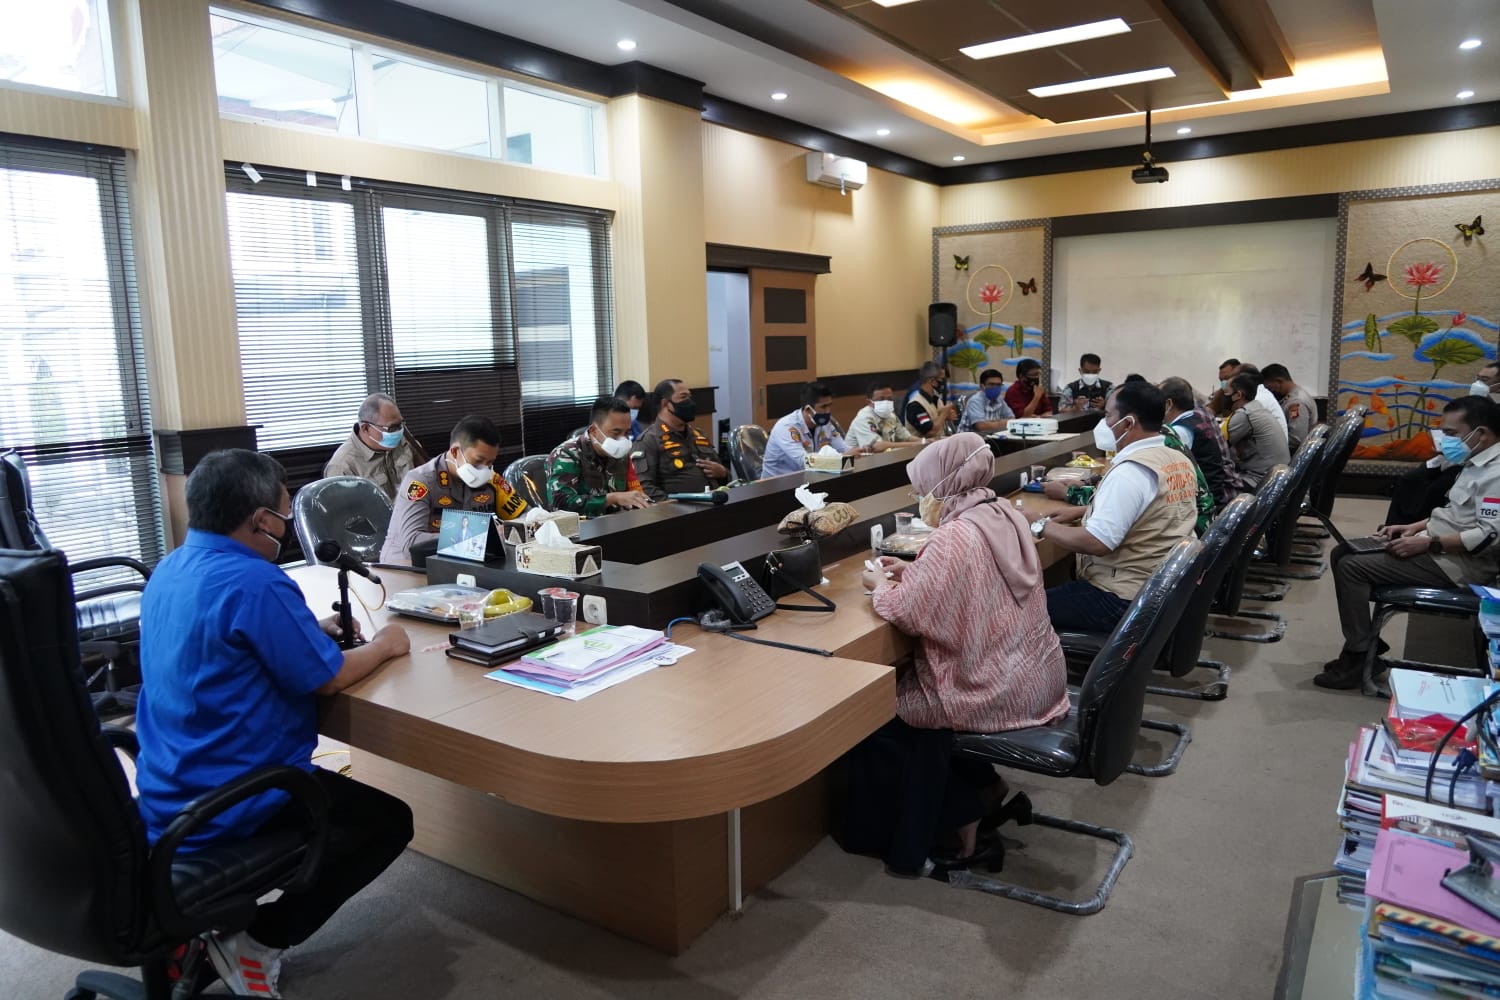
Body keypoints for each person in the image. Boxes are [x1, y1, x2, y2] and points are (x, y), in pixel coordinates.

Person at [134, 449, 413, 998]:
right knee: (386, 823)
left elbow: (222, 645)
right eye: (284, 514)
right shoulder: (256, 581)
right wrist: (384, 645)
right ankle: (257, 941)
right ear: (261, 519)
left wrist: (311, 629)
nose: (286, 526)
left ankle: (222, 932)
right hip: (237, 795)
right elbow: (329, 678)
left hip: (166, 786)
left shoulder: (170, 569)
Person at [841, 433, 1068, 877]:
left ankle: (960, 815)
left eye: (923, 487)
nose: (921, 497)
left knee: (870, 717)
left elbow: (907, 611)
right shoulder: (1002, 513)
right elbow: (978, 577)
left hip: (991, 689)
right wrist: (917, 569)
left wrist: (881, 585)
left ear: (944, 483)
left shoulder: (954, 537)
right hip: (1036, 674)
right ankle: (984, 787)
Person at [1318, 396, 1500, 689]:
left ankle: (1359, 652)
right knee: (1342, 552)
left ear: (1481, 433)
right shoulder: (1476, 461)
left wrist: (1428, 544)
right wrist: (1413, 528)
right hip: (1438, 546)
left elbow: (1487, 536)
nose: (1445, 441)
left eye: (1452, 434)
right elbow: (1455, 514)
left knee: (1352, 567)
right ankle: (1365, 646)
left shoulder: (1496, 473)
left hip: (1460, 565)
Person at [1031, 382, 1198, 634]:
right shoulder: (1176, 458)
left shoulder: (1131, 472)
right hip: (1158, 589)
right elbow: (1150, 511)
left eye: (1108, 415)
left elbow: (1096, 542)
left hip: (1120, 598)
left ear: (1128, 423)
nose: (1105, 423)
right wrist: (1079, 512)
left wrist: (1039, 523)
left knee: (1021, 609)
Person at [382, 415, 528, 563]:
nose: (484, 469)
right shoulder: (420, 482)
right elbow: (412, 543)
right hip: (407, 567)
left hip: (461, 564)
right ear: (455, 452)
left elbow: (525, 516)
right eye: (477, 461)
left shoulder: (491, 479)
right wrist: (481, 534)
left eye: (489, 463)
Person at [547, 396, 652, 514]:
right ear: (594, 431)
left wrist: (645, 503)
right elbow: (560, 504)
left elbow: (631, 494)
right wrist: (613, 498)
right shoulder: (567, 454)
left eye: (626, 433)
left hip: (619, 524)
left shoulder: (621, 454)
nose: (622, 439)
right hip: (584, 529)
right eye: (616, 432)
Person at [632, 378, 730, 500]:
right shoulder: (649, 440)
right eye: (683, 397)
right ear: (665, 404)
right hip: (677, 512)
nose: (690, 402)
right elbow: (644, 488)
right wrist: (675, 506)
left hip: (715, 502)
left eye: (690, 397)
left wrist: (722, 473)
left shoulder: (699, 435)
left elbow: (726, 475)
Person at [322, 393, 424, 500]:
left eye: (400, 424)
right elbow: (345, 513)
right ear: (366, 428)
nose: (399, 432)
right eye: (392, 428)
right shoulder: (343, 467)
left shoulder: (404, 439)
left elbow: (427, 475)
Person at [1160, 376, 1239, 509]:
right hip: (1216, 492)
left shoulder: (1180, 431)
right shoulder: (1196, 417)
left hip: (1205, 504)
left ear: (1168, 404)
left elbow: (1166, 471)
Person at [762, 381, 860, 477]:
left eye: (829, 406)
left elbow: (844, 449)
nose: (828, 411)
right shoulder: (786, 427)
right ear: (808, 409)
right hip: (777, 484)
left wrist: (860, 451)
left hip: (808, 478)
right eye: (823, 407)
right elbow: (804, 461)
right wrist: (841, 458)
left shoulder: (825, 424)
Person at [1225, 371, 1290, 489]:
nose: (1223, 397)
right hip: (1276, 477)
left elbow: (1218, 446)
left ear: (1238, 395)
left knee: (1215, 485)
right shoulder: (1257, 407)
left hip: (1259, 480)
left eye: (1226, 393)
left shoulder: (1244, 414)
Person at [846, 380, 921, 452]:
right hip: (859, 462)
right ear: (869, 402)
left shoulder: (891, 415)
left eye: (889, 399)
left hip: (883, 458)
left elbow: (906, 437)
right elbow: (876, 446)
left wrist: (924, 441)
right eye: (881, 399)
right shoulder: (864, 418)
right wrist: (915, 444)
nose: (886, 402)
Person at [1260, 363, 1320, 452]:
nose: (1270, 391)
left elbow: (1296, 439)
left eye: (1270, 388)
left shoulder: (1297, 403)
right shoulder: (1290, 397)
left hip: (1294, 455)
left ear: (1279, 381)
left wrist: (1268, 441)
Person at [904, 361, 957, 439]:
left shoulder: (937, 400)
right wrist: (944, 414)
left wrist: (947, 417)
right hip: (920, 449)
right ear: (932, 381)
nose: (944, 383)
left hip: (938, 445)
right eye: (942, 380)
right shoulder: (915, 405)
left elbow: (937, 421)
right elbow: (929, 431)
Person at [958, 368, 1015, 434]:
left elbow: (1012, 419)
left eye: (998, 385)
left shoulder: (999, 399)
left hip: (990, 438)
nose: (995, 388)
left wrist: (992, 423)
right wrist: (1000, 422)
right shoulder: (975, 401)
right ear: (982, 386)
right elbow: (981, 427)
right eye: (991, 384)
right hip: (968, 440)